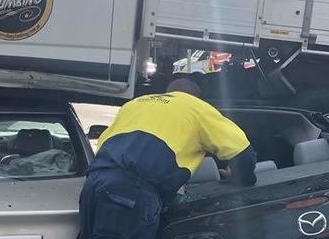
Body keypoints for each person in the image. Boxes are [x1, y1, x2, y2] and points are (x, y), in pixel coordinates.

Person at [79, 78, 257, 239]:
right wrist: (242, 179)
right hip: (130, 195)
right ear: (196, 97)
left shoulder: (135, 104)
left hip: (94, 184)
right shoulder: (196, 108)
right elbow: (243, 152)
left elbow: (104, 143)